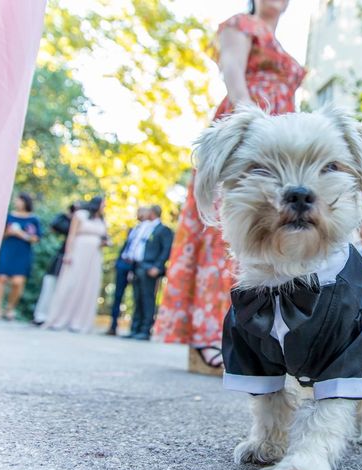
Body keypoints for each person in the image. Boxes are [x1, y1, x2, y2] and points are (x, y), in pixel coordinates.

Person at [153, 0, 305, 373]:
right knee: (222, 227)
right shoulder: (240, 23)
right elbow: (233, 72)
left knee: (268, 232)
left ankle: (254, 335)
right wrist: (251, 123)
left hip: (282, 139)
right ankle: (207, 334)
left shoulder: (283, 45)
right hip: (248, 126)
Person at [43, 197, 108, 333]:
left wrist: (105, 242)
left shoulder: (102, 220)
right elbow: (71, 235)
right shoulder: (80, 215)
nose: (104, 207)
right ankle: (59, 318)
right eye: (103, 204)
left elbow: (104, 236)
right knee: (70, 284)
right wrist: (68, 253)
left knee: (88, 286)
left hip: (94, 257)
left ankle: (79, 321)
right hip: (78, 253)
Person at [127, 205, 174, 341]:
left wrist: (158, 266)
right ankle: (135, 328)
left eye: (147, 211)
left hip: (150, 268)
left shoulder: (163, 230)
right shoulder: (144, 227)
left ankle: (145, 329)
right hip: (138, 266)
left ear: (152, 213)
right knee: (137, 298)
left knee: (148, 298)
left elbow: (166, 250)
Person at [0, 193, 41, 321]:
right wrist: (8, 233)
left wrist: (20, 234)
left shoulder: (33, 219)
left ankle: (10, 308)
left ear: (26, 202)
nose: (16, 202)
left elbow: (36, 238)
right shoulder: (9, 216)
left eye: (19, 200)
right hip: (7, 250)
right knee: (1, 278)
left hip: (23, 253)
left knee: (17, 282)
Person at [33, 202, 82, 325]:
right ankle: (41, 315)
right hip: (62, 257)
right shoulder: (66, 221)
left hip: (81, 259)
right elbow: (56, 225)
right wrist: (69, 216)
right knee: (50, 282)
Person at [106, 206, 150, 335]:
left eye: (141, 212)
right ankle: (113, 325)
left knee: (138, 296)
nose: (139, 214)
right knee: (117, 294)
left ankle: (136, 328)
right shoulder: (134, 228)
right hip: (124, 263)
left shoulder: (149, 229)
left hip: (136, 265)